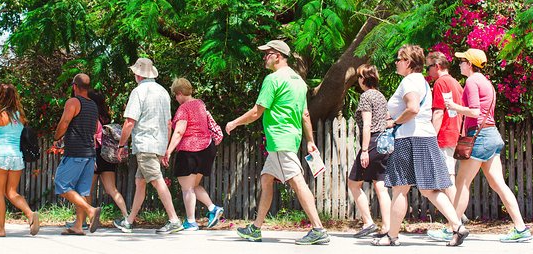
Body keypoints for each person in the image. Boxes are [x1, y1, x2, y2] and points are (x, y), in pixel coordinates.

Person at [225, 40, 330, 245]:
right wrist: (309, 141)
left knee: (298, 181)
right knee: (266, 179)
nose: (264, 57)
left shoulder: (273, 80)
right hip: (288, 139)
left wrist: (234, 123)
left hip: (280, 139)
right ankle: (255, 228)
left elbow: (257, 111)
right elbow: (305, 114)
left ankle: (318, 229)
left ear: (278, 56)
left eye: (267, 53)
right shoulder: (299, 81)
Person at [372, 45, 468, 247]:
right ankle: (458, 226)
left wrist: (394, 122)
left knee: (399, 190)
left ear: (407, 62)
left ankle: (392, 236)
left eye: (398, 59)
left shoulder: (409, 81)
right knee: (430, 189)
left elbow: (413, 108)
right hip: (425, 138)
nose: (396, 63)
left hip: (408, 139)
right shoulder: (421, 81)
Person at [446, 48, 532, 243]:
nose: (459, 64)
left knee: (462, 182)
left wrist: (454, 107)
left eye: (462, 61)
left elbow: (475, 112)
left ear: (469, 64)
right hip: (492, 135)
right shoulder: (486, 82)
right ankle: (521, 228)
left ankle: (453, 227)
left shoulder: (472, 81)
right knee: (498, 184)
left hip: (480, 136)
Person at [114, 57, 183, 234]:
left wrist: (121, 145)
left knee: (157, 181)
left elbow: (130, 122)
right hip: (158, 144)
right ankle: (128, 221)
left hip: (144, 144)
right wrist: (165, 149)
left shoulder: (138, 92)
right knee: (140, 182)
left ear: (138, 74)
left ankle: (174, 220)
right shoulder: (163, 92)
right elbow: (169, 124)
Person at [0, 83, 39, 237]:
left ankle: (0, 229)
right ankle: (30, 214)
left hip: (0, 157)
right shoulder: (20, 116)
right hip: (16, 157)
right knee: (12, 192)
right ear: (14, 96)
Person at [162, 78, 224, 230]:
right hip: (206, 149)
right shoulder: (200, 104)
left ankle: (190, 221)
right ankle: (213, 208)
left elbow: (179, 131)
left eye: (175, 95)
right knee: (194, 185)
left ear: (180, 93)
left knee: (187, 188)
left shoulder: (184, 108)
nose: (175, 99)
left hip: (189, 150)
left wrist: (168, 151)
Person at [53, 73, 102, 235]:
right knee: (82, 191)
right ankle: (78, 226)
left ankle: (90, 210)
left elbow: (65, 122)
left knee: (62, 184)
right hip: (90, 153)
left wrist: (56, 137)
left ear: (75, 86)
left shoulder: (73, 102)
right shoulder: (93, 105)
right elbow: (94, 129)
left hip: (75, 152)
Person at [347, 64, 391, 239]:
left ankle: (368, 222)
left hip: (372, 142)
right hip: (384, 143)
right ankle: (387, 227)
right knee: (380, 186)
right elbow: (387, 120)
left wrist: (364, 150)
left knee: (353, 183)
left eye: (359, 77)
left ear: (363, 79)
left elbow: (367, 124)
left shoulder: (366, 96)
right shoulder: (380, 96)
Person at [425, 51, 465, 242]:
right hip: (453, 132)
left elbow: (439, 112)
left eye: (429, 67)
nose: (428, 71)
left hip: (444, 135)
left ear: (437, 66)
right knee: (448, 177)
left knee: (446, 180)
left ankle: (455, 224)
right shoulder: (456, 83)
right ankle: (456, 221)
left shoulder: (441, 83)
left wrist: (431, 137)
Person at [88, 90, 129, 224]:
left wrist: (92, 158)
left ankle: (87, 219)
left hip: (96, 155)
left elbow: (93, 139)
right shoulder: (105, 117)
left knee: (87, 190)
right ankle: (126, 216)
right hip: (107, 157)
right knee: (112, 189)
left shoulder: (92, 117)